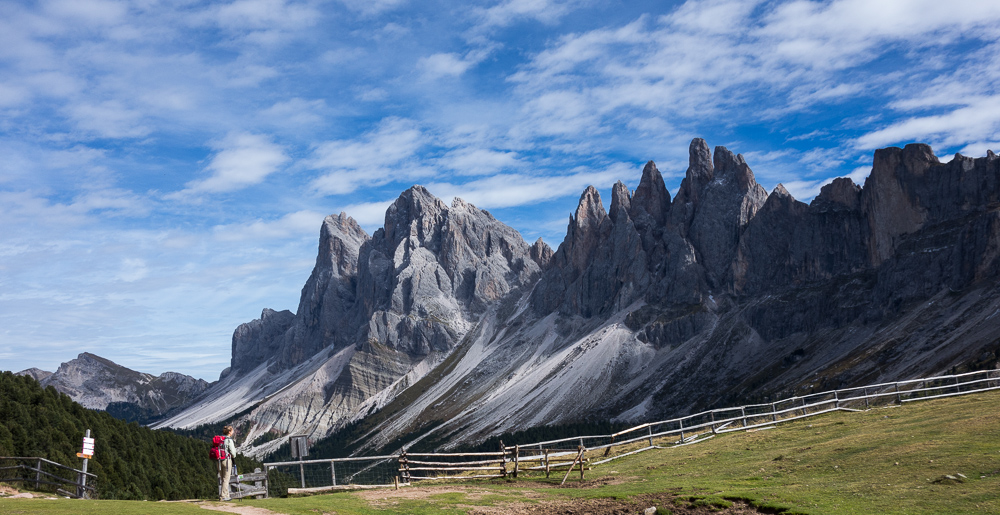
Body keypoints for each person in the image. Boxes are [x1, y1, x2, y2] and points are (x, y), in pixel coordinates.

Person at [218, 425, 238, 501]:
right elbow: (233, 453)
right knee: (226, 479)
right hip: (226, 460)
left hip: (219, 461)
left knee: (223, 478)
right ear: (229, 432)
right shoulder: (229, 440)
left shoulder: (221, 439)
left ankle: (227, 495)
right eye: (232, 430)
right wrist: (234, 456)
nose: (233, 432)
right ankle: (223, 496)